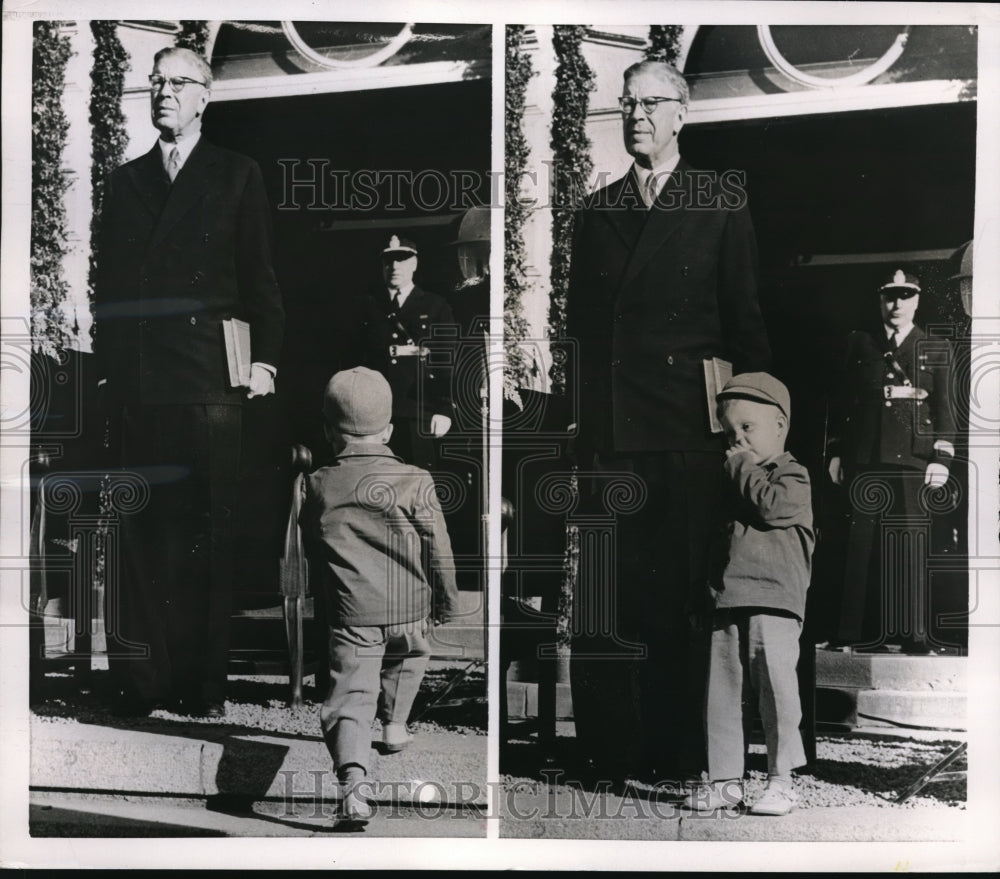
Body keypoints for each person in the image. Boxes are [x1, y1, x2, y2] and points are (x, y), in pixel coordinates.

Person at [565, 59, 771, 783]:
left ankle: (688, 755)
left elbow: (746, 329)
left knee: (686, 597)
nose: (637, 116)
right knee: (619, 596)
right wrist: (582, 439)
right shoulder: (596, 209)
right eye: (627, 104)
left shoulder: (720, 200)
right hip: (615, 438)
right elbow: (582, 342)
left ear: (683, 113)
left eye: (651, 104)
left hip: (690, 433)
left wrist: (751, 435)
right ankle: (617, 752)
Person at [93, 47, 284, 717]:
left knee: (204, 535)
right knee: (140, 536)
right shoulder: (125, 181)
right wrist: (109, 375)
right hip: (140, 385)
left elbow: (260, 278)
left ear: (206, 97)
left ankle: (202, 688)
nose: (164, 92)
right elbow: (109, 292)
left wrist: (264, 361)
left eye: (177, 83)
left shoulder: (236, 175)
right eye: (156, 82)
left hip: (209, 381)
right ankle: (141, 685)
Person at [300, 367, 460, 821]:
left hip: (354, 613)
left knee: (350, 696)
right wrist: (447, 600)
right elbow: (439, 547)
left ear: (330, 431)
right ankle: (393, 725)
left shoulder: (317, 483)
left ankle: (353, 783)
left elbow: (313, 544)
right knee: (407, 660)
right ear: (389, 429)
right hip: (411, 609)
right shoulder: (416, 479)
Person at [683, 373, 814, 816]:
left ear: (780, 426)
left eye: (747, 428)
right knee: (720, 695)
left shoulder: (792, 475)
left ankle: (782, 780)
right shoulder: (736, 481)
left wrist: (740, 467)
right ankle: (724, 782)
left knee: (776, 691)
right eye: (730, 432)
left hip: (774, 603)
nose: (736, 440)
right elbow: (717, 543)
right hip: (729, 599)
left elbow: (770, 506)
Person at [826, 269, 956, 653]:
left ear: (916, 300)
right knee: (857, 547)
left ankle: (915, 638)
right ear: (879, 300)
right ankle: (849, 635)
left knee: (912, 547)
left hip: (913, 461)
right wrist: (836, 452)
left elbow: (945, 409)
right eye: (889, 296)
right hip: (866, 458)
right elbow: (844, 404)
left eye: (905, 295)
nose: (896, 304)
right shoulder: (859, 344)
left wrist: (941, 458)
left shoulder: (935, 347)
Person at [361, 236, 456, 471]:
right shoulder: (368, 306)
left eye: (401, 260)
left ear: (414, 263)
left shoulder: (435, 306)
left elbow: (446, 360)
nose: (394, 267)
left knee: (416, 486)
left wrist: (444, 410)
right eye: (388, 261)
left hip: (419, 413)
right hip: (375, 416)